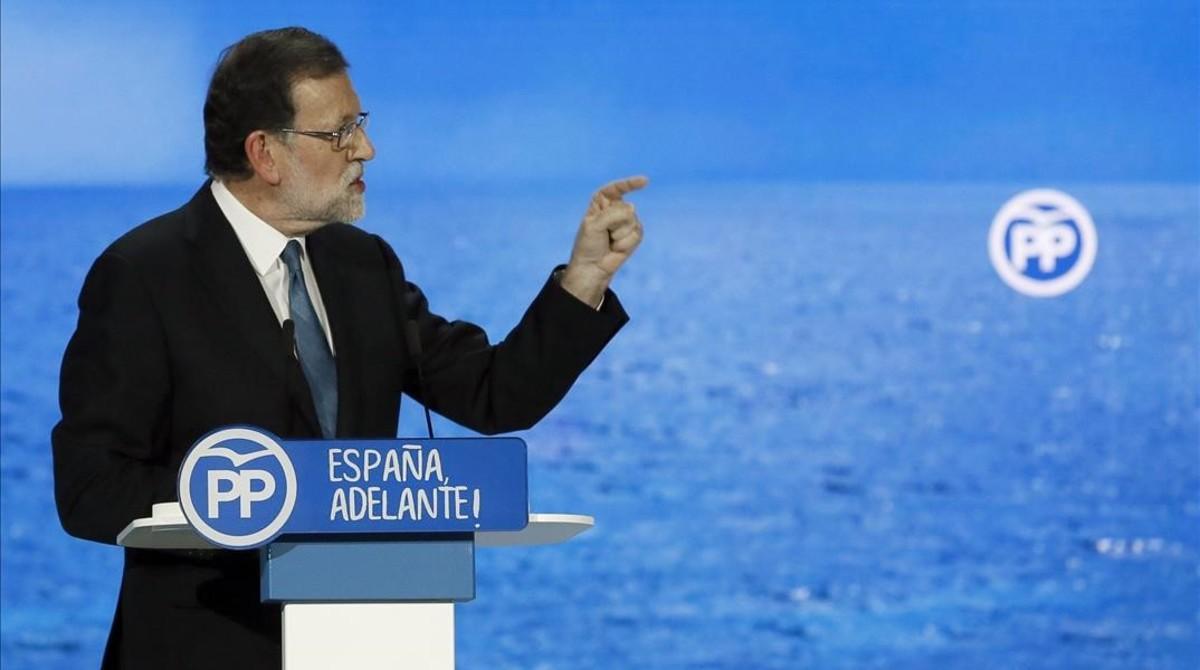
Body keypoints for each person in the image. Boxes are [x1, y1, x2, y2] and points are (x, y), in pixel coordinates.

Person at [51, 26, 644, 669]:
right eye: (339, 133)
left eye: (359, 124)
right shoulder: (145, 274)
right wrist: (251, 499)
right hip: (206, 646)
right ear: (265, 154)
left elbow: (495, 395)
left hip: (367, 642)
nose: (366, 148)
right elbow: (90, 485)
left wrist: (585, 278)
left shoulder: (365, 266)